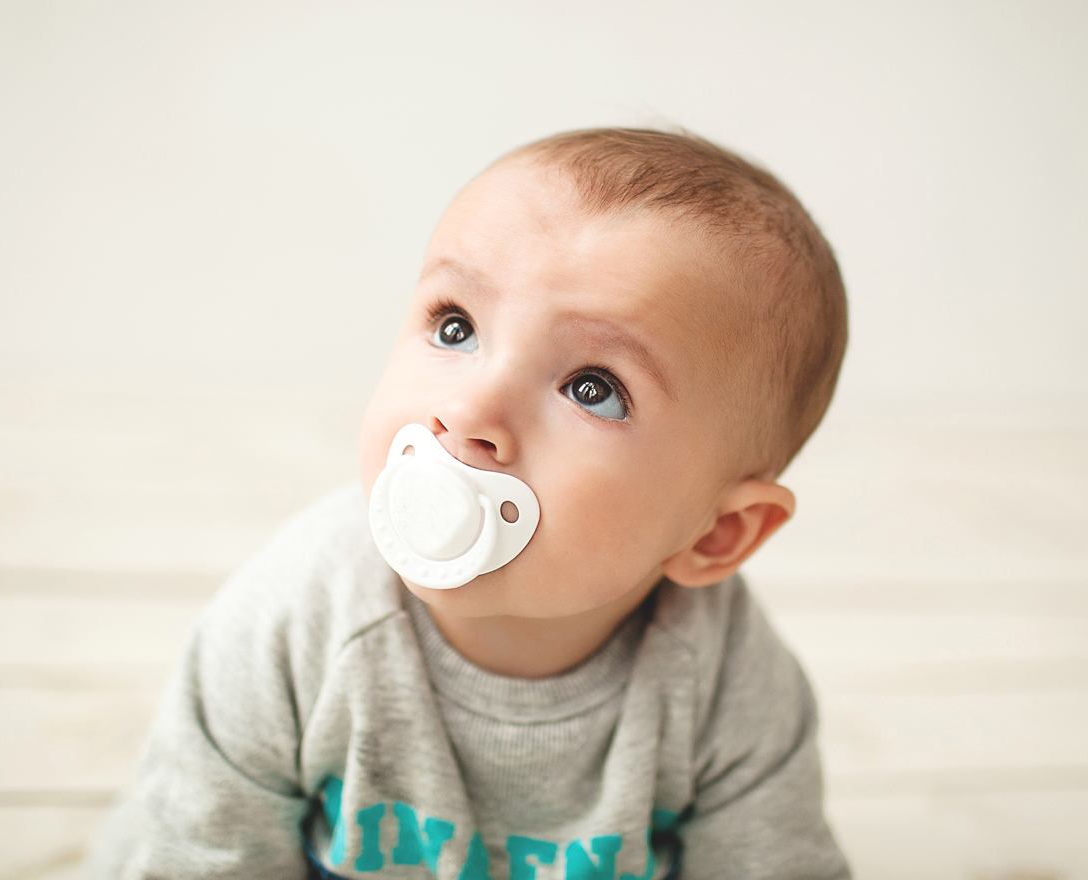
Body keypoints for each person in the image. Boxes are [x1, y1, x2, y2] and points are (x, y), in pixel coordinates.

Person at [92, 128, 850, 880]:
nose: (470, 409)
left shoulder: (727, 682)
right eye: (455, 327)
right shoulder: (290, 622)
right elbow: (197, 853)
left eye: (592, 387)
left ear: (717, 534)